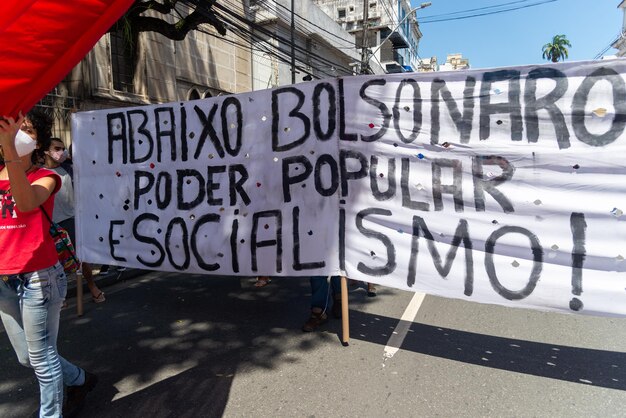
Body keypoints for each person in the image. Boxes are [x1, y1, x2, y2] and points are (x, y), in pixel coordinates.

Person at [0, 109, 97, 417]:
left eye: (26, 129)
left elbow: (26, 203)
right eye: (12, 128)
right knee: (27, 358)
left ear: (38, 140)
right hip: (3, 281)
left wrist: (10, 152)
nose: (18, 134)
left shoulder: (47, 177)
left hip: (39, 278)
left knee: (42, 358)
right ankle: (80, 379)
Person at [43, 137, 105, 303]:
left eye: (63, 148)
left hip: (70, 220)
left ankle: (92, 287)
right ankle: (60, 297)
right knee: (53, 263)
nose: (61, 152)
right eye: (57, 148)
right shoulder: (39, 173)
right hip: (48, 224)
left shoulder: (70, 170)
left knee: (80, 258)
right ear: (45, 151)